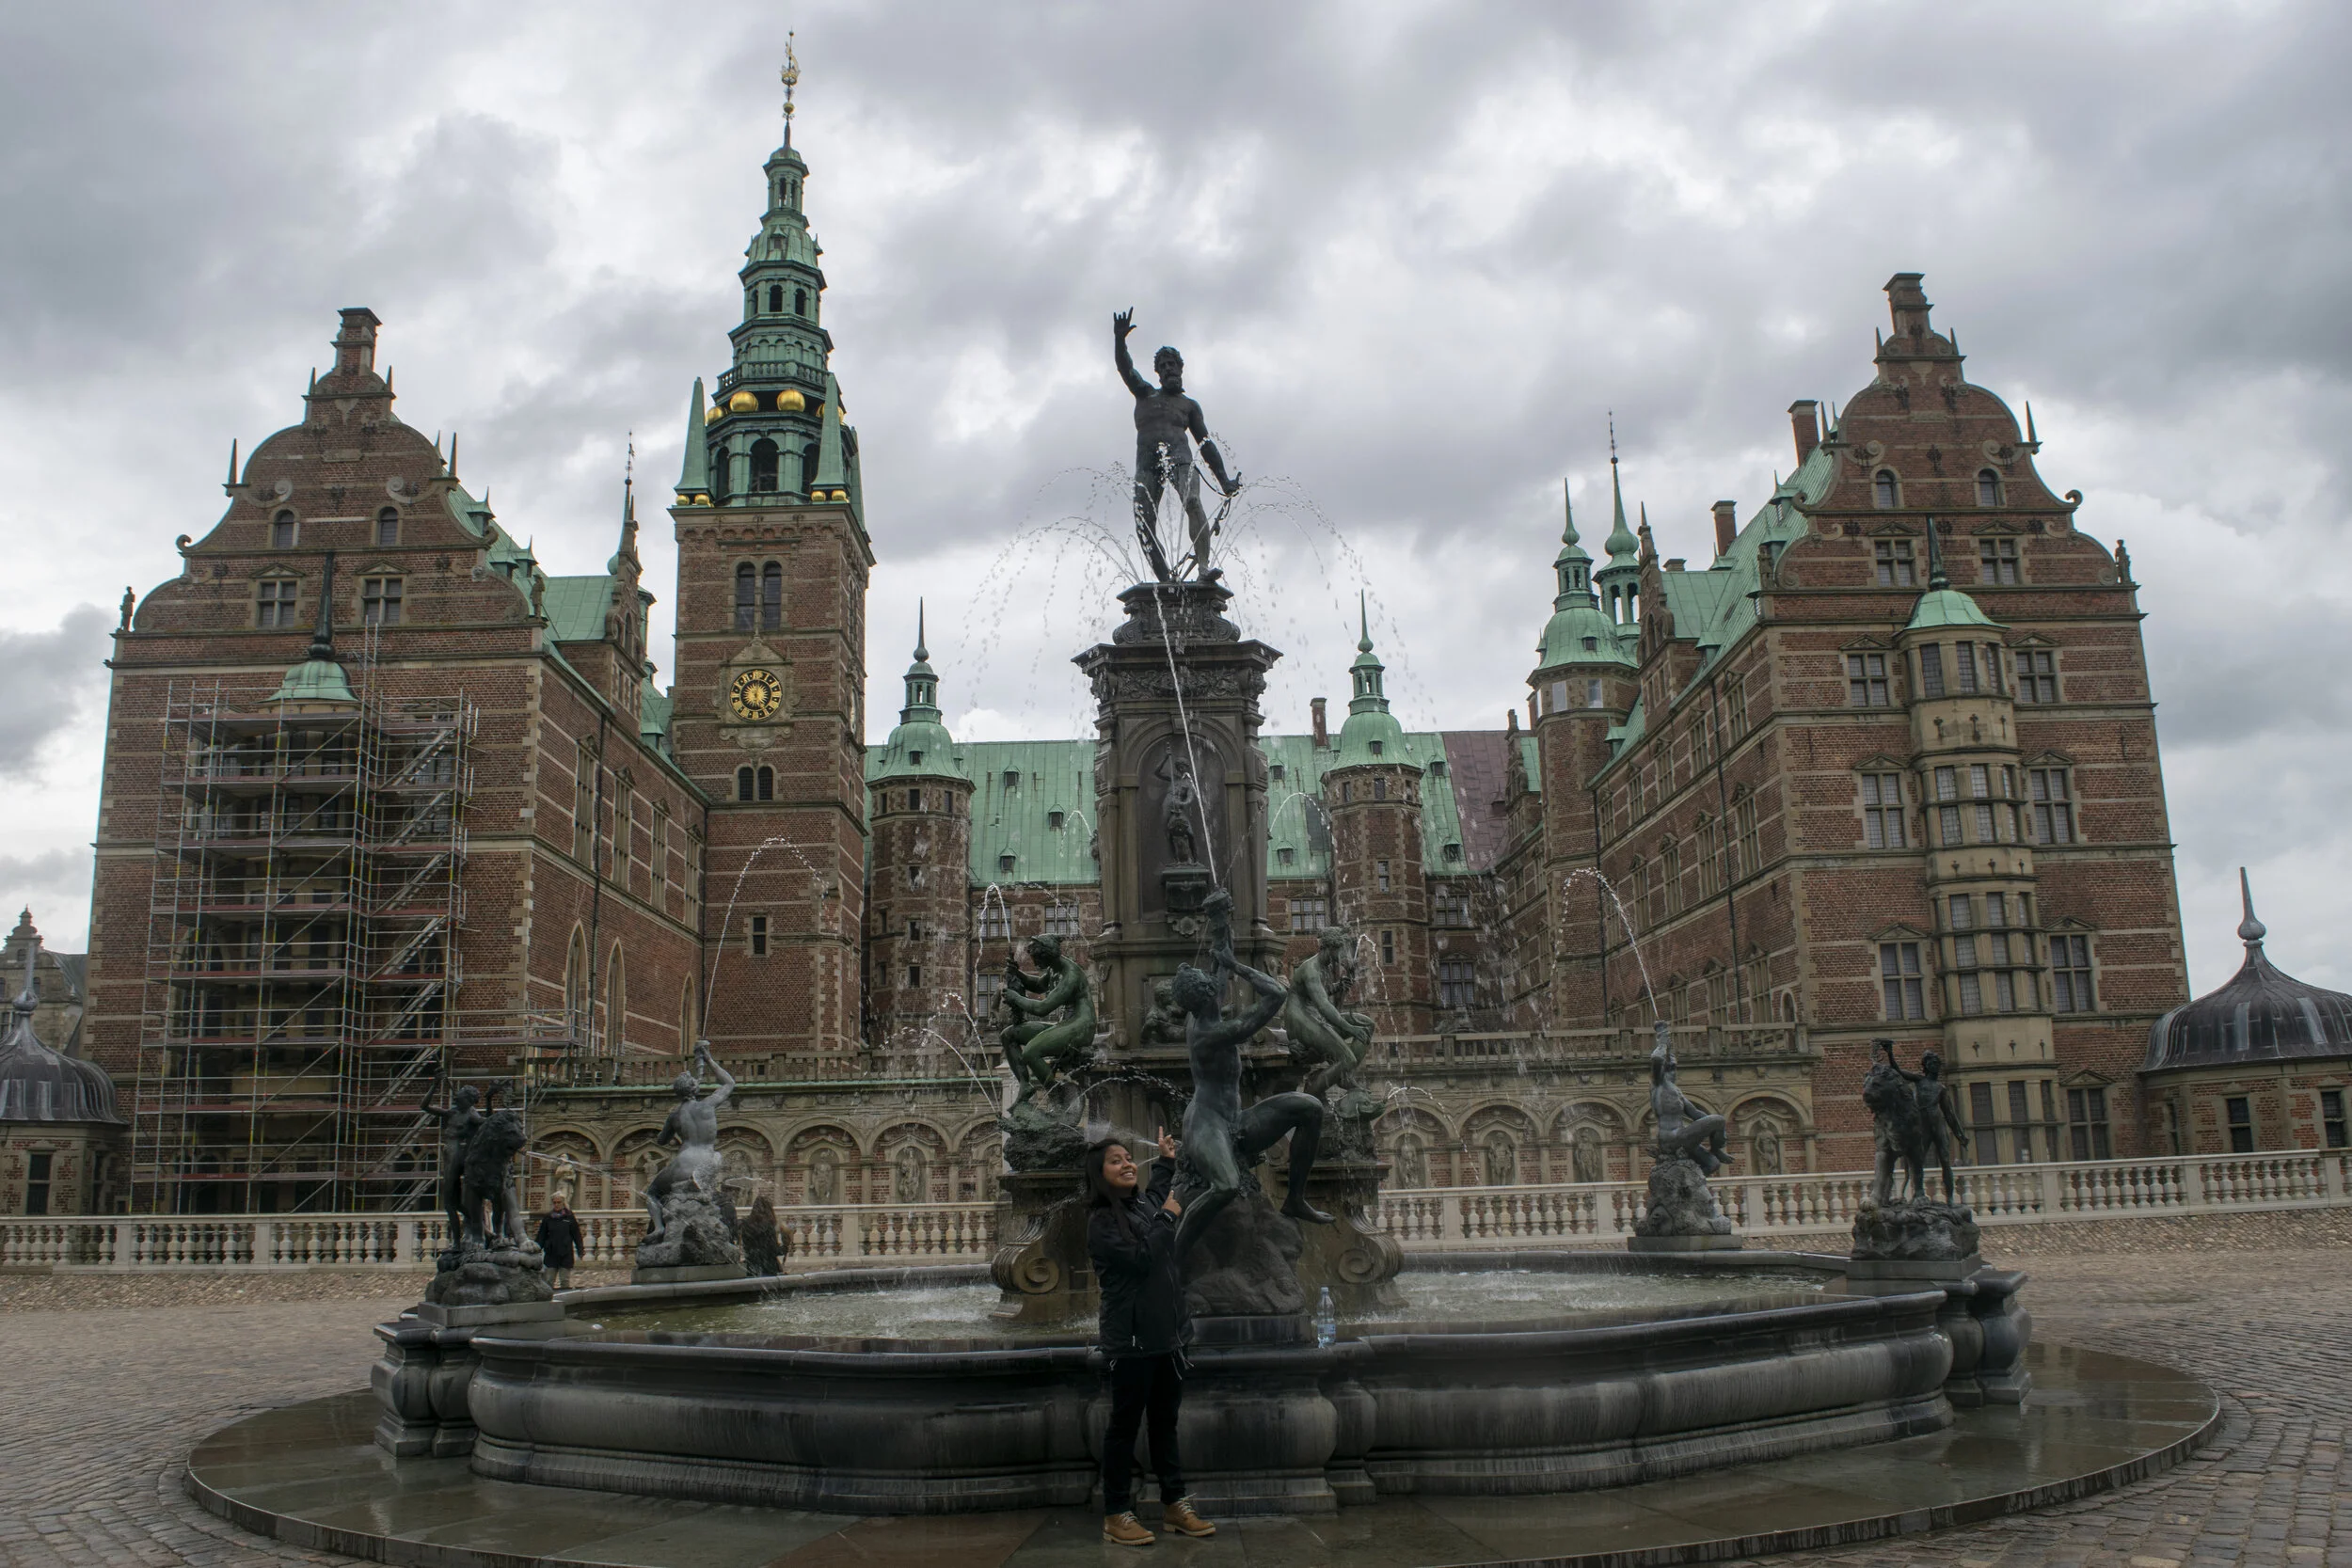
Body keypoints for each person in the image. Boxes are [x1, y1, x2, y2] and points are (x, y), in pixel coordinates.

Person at [1087, 1129, 1215, 1547]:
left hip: (1168, 1337)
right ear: (1100, 1174)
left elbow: (1159, 1194)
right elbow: (1142, 1258)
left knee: (1164, 1424)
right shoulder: (1102, 1222)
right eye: (1115, 1161)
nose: (1127, 1164)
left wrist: (1165, 1161)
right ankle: (1116, 1513)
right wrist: (1168, 1217)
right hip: (1132, 1341)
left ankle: (1175, 1504)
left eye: (1128, 1158)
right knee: (1124, 1428)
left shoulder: (1141, 1204)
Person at [1113, 309, 1240, 581]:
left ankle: (1203, 569)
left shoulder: (1189, 406)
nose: (1169, 368)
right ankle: (1166, 582)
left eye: (1173, 364)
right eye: (1164, 365)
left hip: (1181, 460)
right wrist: (1119, 340)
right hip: (1147, 464)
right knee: (1144, 523)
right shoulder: (1145, 394)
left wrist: (1224, 481)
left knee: (1192, 501)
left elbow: (1206, 444)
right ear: (1158, 372)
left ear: (1181, 368)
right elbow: (1125, 368)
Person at [534, 1192, 584, 1290]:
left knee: (564, 1280)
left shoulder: (569, 1217)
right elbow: (541, 1235)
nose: (556, 1205)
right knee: (549, 1280)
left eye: (559, 1202)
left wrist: (580, 1249)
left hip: (565, 1253)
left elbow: (576, 1235)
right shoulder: (548, 1218)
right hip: (551, 1254)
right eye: (555, 1203)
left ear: (563, 1203)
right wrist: (537, 1249)